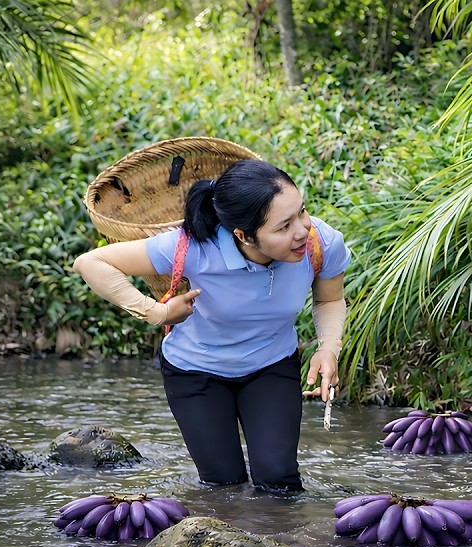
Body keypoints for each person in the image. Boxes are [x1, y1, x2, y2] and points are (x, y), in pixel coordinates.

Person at [73, 159, 349, 494]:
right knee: (223, 485)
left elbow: (329, 300)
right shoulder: (192, 246)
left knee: (279, 482)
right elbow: (91, 262)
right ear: (243, 235)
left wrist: (328, 347)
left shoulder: (320, 243)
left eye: (302, 212)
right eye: (283, 226)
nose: (303, 230)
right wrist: (155, 313)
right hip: (195, 371)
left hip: (271, 365)